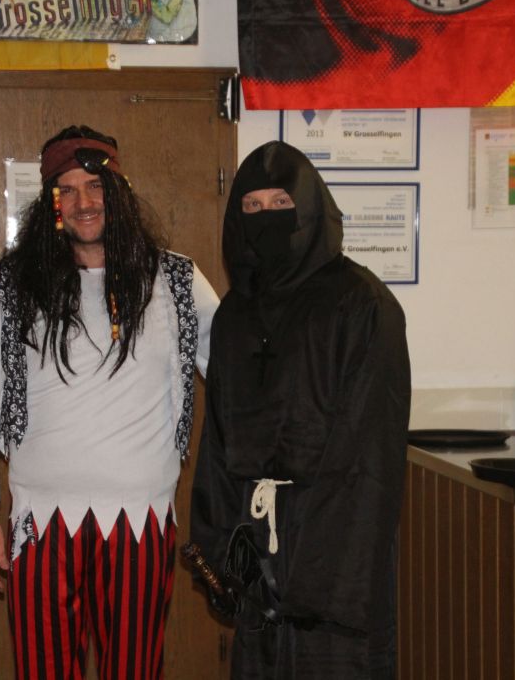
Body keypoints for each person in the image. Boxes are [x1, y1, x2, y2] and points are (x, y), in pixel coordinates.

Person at [0, 125, 219, 679]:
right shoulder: (14, 284)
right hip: (40, 523)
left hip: (142, 521)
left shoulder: (176, 280)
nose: (84, 202)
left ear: (118, 192)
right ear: (51, 204)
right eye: (68, 190)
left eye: (96, 186)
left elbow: (235, 369)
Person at [189, 141, 411, 678]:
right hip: (255, 539)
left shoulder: (362, 304)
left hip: (335, 551)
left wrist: (318, 577)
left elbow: (367, 457)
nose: (266, 216)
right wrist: (221, 553)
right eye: (252, 206)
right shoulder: (234, 317)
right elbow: (219, 441)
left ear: (310, 209)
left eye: (280, 203)